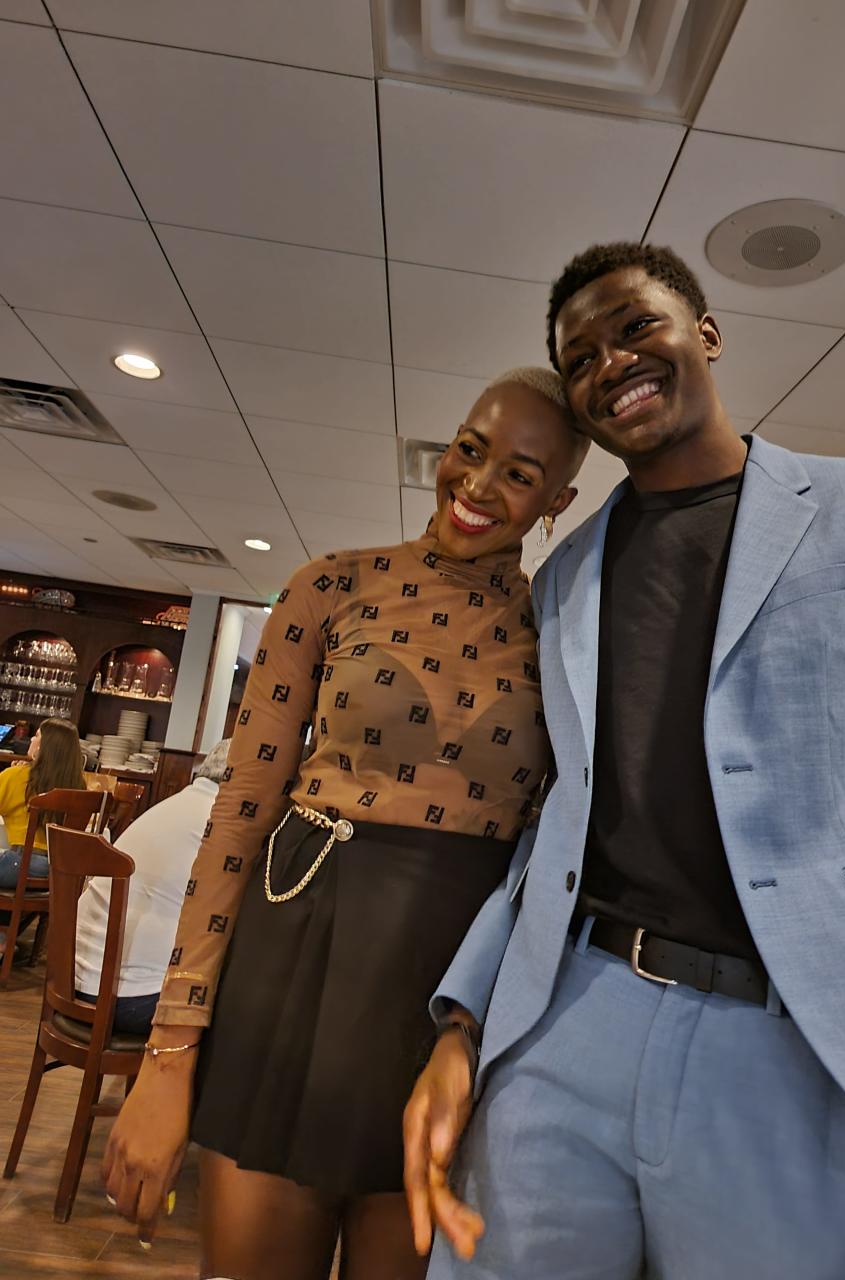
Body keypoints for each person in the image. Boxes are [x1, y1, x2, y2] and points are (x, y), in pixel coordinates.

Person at [405, 243, 845, 1280]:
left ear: (704, 332)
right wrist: (468, 1017)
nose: (610, 360)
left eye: (635, 325)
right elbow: (559, 819)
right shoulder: (565, 573)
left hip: (802, 1050)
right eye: (580, 356)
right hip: (571, 1018)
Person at [102, 367, 590, 1280]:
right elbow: (239, 817)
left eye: (520, 474)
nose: (479, 487)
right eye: (471, 450)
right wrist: (168, 1056)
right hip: (295, 952)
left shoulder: (562, 635)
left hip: (448, 999)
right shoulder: (332, 586)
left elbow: (553, 844)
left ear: (557, 499)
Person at [73, 741, 231, 1035]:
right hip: (124, 999)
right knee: (240, 1006)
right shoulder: (221, 824)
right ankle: (164, 1079)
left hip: (73, 979)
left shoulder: (173, 805)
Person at [0, 717, 87, 958]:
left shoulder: (18, 777)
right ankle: (7, 936)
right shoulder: (78, 786)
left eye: (37, 735)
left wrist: (13, 773)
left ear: (46, 746)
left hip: (21, 864)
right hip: (58, 870)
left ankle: (1, 939)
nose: (31, 739)